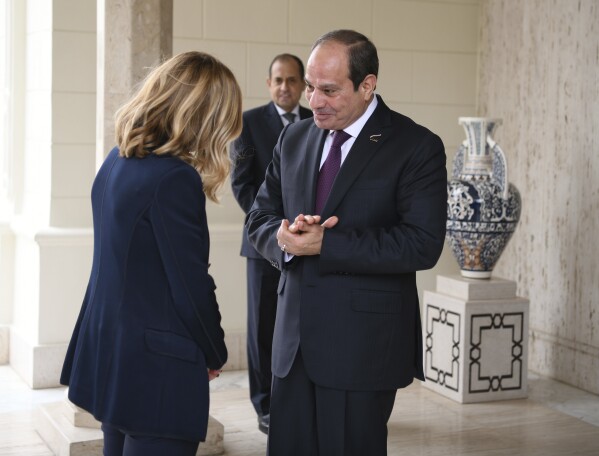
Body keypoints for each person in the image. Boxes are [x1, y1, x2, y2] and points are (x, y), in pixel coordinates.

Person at [246, 30, 447, 456]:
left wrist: (327, 244)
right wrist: (282, 238)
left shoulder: (417, 147)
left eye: (330, 90)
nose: (314, 100)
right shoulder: (294, 138)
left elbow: (422, 244)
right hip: (291, 349)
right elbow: (258, 216)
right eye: (311, 87)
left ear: (367, 85)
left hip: (361, 349)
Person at [60, 51, 242, 456]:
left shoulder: (117, 161)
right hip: (157, 368)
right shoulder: (174, 179)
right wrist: (214, 350)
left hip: (114, 354)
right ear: (204, 115)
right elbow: (190, 284)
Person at [230, 53, 312, 434]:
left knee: (299, 325)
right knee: (263, 328)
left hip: (307, 242)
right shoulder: (247, 124)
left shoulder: (316, 123)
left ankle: (296, 401)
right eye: (278, 80)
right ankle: (264, 406)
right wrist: (274, 224)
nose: (285, 87)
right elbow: (242, 185)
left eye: (292, 80)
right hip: (263, 245)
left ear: (302, 86)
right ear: (268, 84)